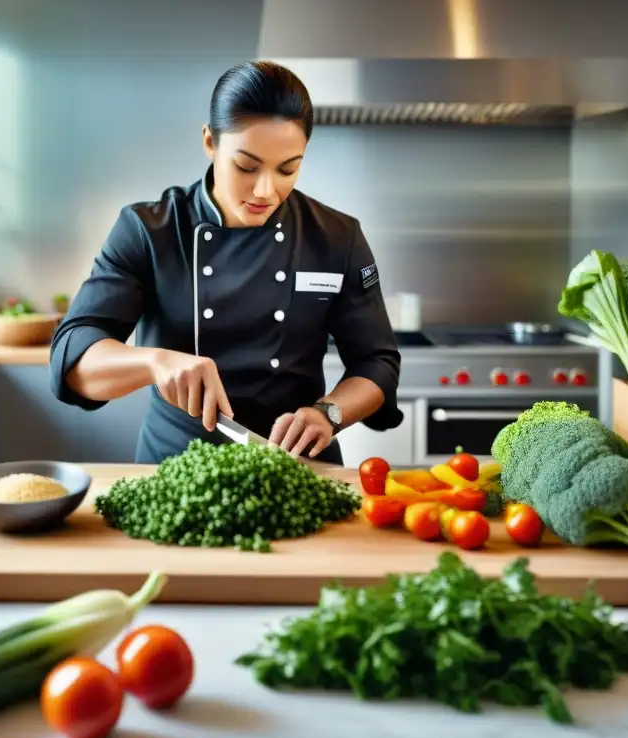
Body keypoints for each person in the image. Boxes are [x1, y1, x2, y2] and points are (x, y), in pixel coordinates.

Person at [49, 60, 402, 465]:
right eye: (246, 166)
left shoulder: (338, 237)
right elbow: (74, 357)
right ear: (210, 142)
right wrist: (154, 361)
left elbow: (377, 363)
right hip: (175, 470)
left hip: (297, 466)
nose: (266, 190)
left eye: (289, 168)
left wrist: (329, 414)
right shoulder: (150, 230)